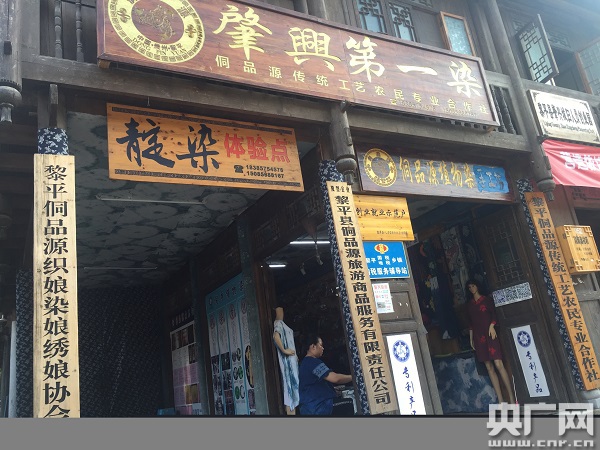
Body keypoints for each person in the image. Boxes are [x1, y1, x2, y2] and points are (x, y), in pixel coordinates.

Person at [465, 279, 516, 404]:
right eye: (469, 287)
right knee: (489, 367)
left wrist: (492, 325)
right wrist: (471, 338)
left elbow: (494, 315)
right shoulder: (469, 305)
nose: (472, 289)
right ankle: (501, 400)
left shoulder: (486, 300)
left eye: (473, 285)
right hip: (478, 337)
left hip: (490, 334)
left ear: (477, 286)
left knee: (498, 364)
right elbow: (470, 324)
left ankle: (511, 397)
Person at [298, 334, 353, 415]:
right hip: (318, 407)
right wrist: (353, 377)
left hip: (308, 408)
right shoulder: (312, 362)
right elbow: (335, 378)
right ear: (313, 346)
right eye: (320, 345)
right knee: (349, 403)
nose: (323, 348)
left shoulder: (305, 363)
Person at [272, 307, 299, 414]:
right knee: (290, 392)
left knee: (293, 392)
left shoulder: (281, 323)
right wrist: (284, 350)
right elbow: (275, 336)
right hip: (288, 364)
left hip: (292, 363)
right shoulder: (278, 323)